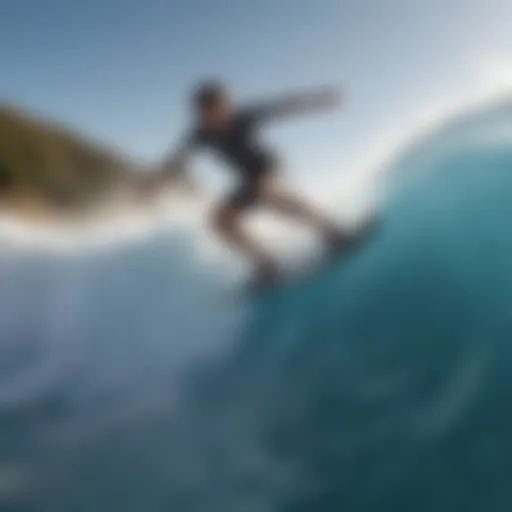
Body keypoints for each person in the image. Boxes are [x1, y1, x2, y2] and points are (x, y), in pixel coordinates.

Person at [163, 81, 348, 289]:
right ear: (203, 114)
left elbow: (282, 107)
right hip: (246, 180)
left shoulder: (242, 117)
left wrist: (320, 99)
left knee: (266, 192)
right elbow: (178, 157)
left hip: (268, 168)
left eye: (225, 107)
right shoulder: (200, 134)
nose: (224, 114)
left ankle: (333, 232)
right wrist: (166, 175)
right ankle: (266, 263)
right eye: (215, 112)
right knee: (219, 221)